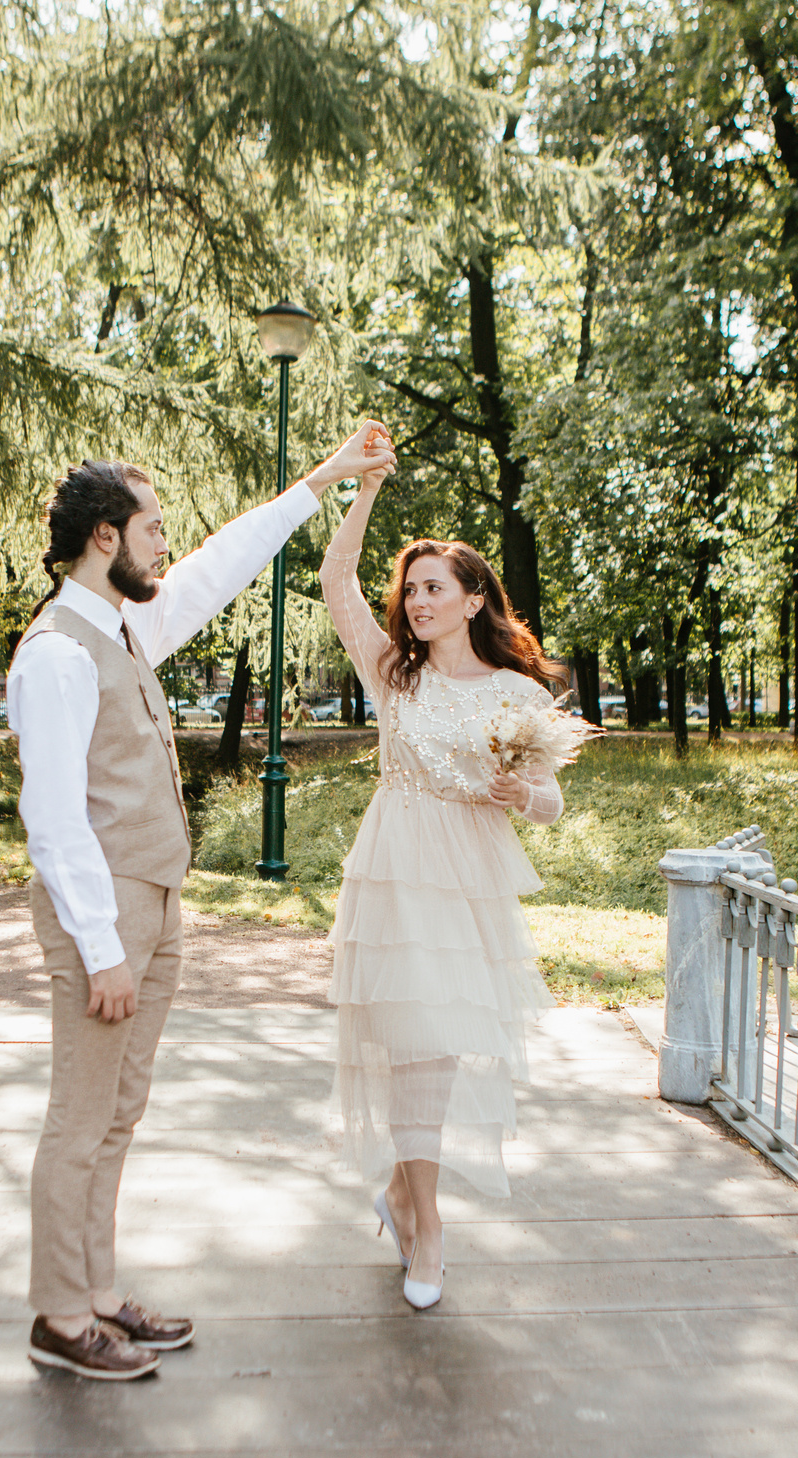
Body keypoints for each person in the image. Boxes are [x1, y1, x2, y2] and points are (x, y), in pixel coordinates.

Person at [8, 423, 396, 1380]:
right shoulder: (56, 653)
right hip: (105, 913)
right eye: (152, 529)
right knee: (80, 1116)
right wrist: (101, 948)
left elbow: (227, 561)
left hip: (156, 904)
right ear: (106, 536)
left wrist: (328, 476)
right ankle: (59, 1317)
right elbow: (53, 819)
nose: (165, 545)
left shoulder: (127, 623)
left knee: (119, 1111)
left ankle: (97, 1295)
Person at [316, 435, 575, 1309]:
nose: (417, 601)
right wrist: (364, 491)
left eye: (434, 588)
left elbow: (550, 804)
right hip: (393, 871)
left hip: (468, 880)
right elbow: (335, 582)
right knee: (413, 1045)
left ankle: (400, 1191)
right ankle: (427, 1223)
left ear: (473, 600)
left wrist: (518, 795)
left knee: (442, 1046)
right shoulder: (395, 675)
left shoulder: (520, 696)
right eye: (411, 589)